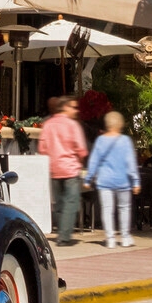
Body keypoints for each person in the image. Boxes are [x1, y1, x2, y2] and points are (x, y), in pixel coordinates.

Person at [36, 95, 88, 244]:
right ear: (65, 107)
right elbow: (81, 148)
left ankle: (61, 233)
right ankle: (64, 237)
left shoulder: (48, 124)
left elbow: (42, 148)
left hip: (54, 169)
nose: (76, 110)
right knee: (71, 203)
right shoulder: (73, 125)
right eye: (73, 107)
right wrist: (81, 159)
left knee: (59, 204)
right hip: (70, 169)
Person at [85, 110, 141, 249]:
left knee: (107, 210)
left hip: (105, 181)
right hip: (123, 181)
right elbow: (131, 163)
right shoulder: (125, 141)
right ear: (120, 125)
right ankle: (125, 236)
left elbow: (94, 162)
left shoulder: (100, 140)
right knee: (124, 209)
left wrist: (88, 179)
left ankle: (110, 238)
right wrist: (135, 181)